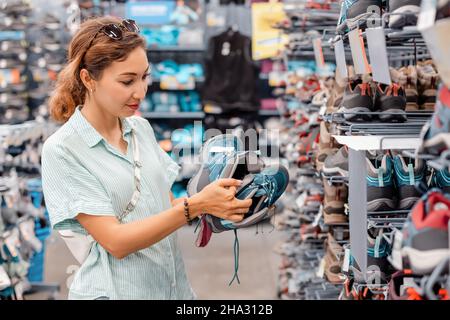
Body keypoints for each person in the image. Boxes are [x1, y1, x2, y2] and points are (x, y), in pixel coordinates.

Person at [41, 16, 252, 300]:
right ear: (88, 79)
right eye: (127, 81)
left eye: (144, 77)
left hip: (172, 290)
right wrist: (195, 205)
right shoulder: (64, 150)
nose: (140, 92)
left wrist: (215, 203)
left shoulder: (140, 128)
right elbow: (115, 241)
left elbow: (164, 208)